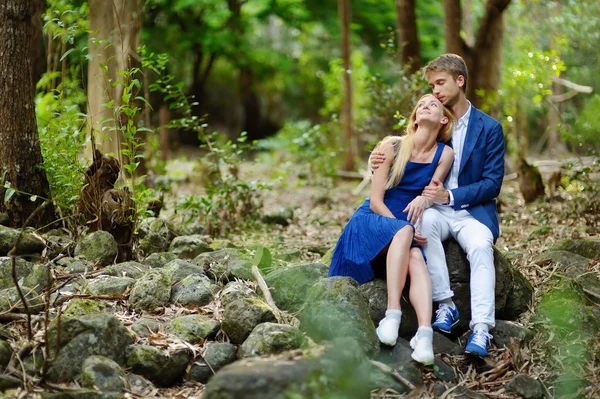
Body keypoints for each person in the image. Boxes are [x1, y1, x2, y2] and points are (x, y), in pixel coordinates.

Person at [370, 54, 505, 357]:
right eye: (431, 85)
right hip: (434, 211)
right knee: (422, 225)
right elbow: (404, 154)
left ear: (460, 81)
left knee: (481, 248)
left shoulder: (489, 128)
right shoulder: (433, 121)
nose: (435, 91)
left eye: (441, 83)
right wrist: (374, 161)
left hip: (471, 211)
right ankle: (445, 305)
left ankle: (482, 328)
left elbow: (493, 183)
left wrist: (451, 196)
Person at [328, 94, 454, 365]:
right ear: (415, 117)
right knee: (405, 234)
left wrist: (421, 205)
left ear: (443, 119)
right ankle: (392, 314)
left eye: (433, 103)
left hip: (402, 228)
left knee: (417, 257)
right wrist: (404, 227)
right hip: (372, 220)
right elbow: (375, 201)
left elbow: (431, 192)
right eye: (421, 103)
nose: (425, 105)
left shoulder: (445, 154)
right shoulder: (391, 146)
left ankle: (424, 335)